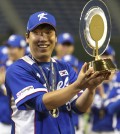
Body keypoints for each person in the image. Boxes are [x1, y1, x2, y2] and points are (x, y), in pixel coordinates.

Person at [5, 11, 110, 134]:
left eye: (48, 33)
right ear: (27, 37)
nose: (43, 38)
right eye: (37, 33)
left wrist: (90, 88)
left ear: (55, 38)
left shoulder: (65, 67)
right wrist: (78, 85)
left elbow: (79, 107)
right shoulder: (17, 69)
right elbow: (42, 103)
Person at [0, 34, 27, 134]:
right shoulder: (4, 64)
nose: (9, 51)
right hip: (4, 122)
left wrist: (3, 85)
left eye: (13, 48)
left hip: (22, 123)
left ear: (22, 49)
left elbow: (20, 95)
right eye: (8, 47)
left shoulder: (27, 68)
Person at [90, 46, 117, 134]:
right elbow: (86, 108)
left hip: (113, 129)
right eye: (102, 55)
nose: (104, 58)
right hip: (95, 128)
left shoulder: (118, 81)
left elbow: (112, 108)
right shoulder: (93, 79)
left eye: (107, 55)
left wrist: (102, 93)